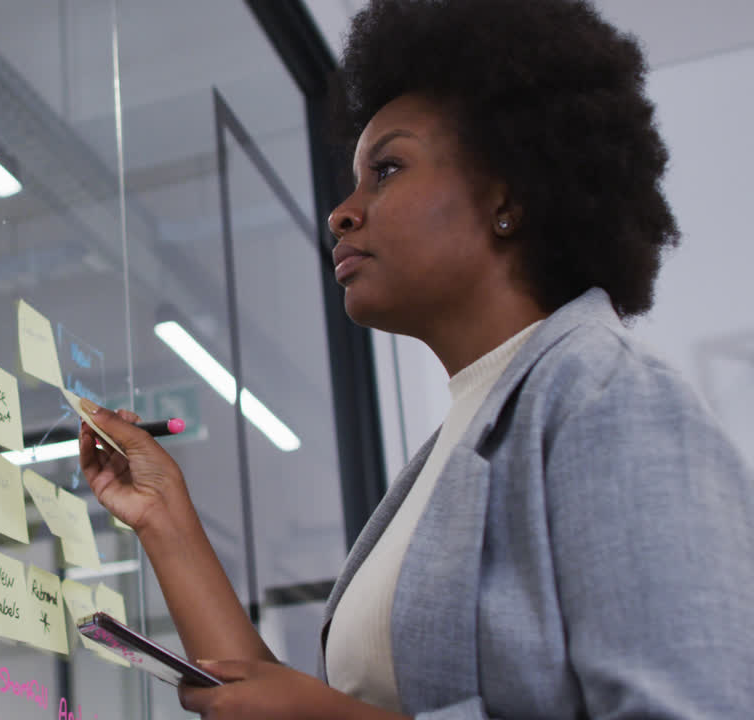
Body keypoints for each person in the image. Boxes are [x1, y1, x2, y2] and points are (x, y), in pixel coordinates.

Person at [77, 0, 754, 717]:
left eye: (388, 169)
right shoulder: (455, 446)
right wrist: (165, 516)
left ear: (507, 196)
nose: (343, 210)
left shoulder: (612, 396)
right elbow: (281, 702)